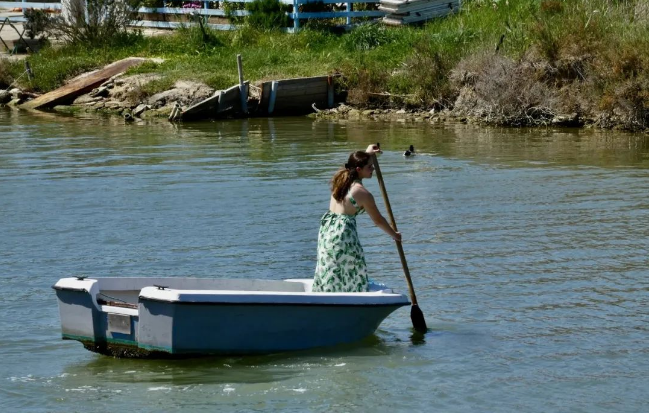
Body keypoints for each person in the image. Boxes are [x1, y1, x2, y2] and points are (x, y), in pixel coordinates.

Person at [312, 144, 402, 293]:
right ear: (359, 170)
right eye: (369, 167)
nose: (372, 169)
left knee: (331, 264)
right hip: (342, 233)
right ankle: (353, 293)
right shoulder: (362, 193)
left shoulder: (341, 178)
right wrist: (394, 235)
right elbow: (378, 220)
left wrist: (367, 154)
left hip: (327, 229)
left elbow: (353, 164)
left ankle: (329, 292)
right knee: (353, 264)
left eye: (372, 166)